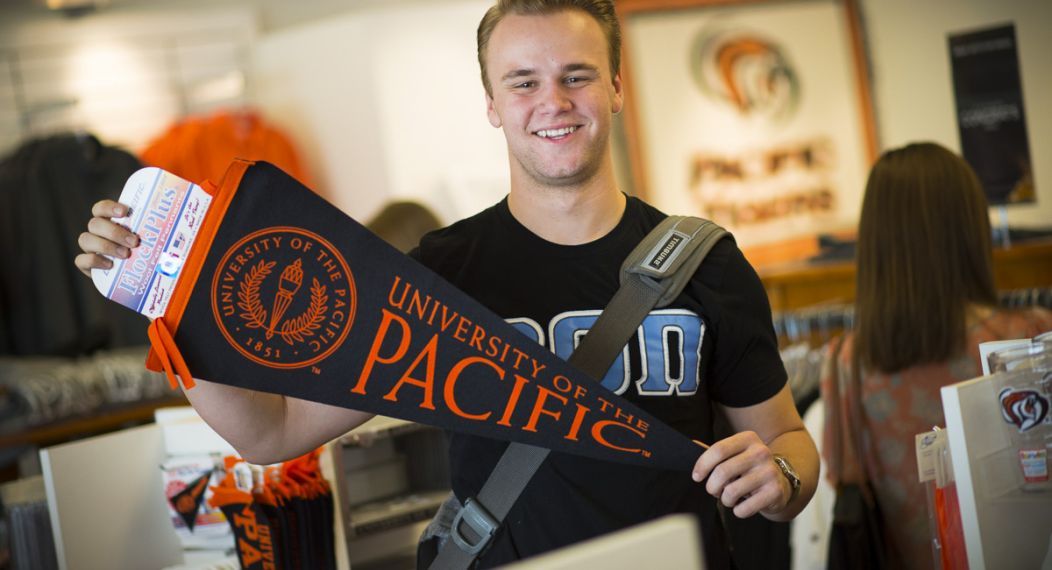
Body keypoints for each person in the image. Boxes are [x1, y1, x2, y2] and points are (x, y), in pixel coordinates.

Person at [75, 1, 818, 567]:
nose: (552, 101)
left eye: (577, 76)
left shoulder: (707, 263)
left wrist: (782, 475)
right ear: (493, 104)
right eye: (523, 82)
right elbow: (270, 431)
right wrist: (162, 292)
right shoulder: (438, 273)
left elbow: (788, 443)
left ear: (616, 88)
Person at [820, 142, 1052, 569]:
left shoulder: (845, 364)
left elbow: (844, 482)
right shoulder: (1033, 335)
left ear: (875, 242)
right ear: (968, 226)